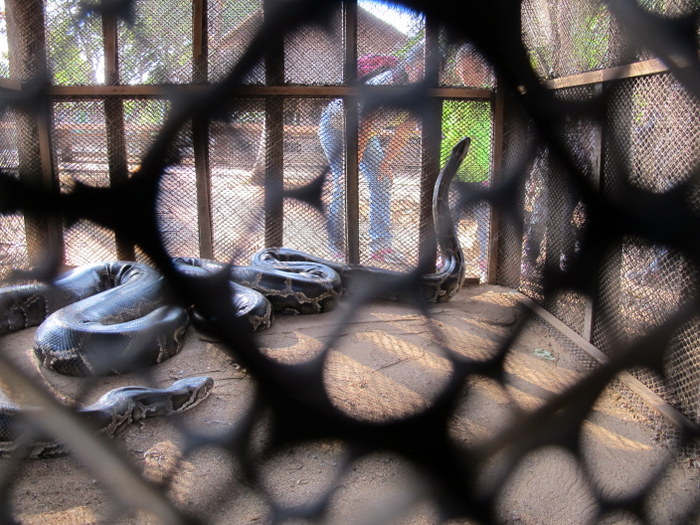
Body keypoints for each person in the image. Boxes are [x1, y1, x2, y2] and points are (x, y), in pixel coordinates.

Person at [318, 45, 424, 263]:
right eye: (422, 67)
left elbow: (404, 130)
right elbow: (365, 126)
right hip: (336, 127)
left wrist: (385, 163)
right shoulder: (387, 84)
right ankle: (337, 246)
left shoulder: (426, 91)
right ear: (410, 65)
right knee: (345, 182)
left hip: (367, 132)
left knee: (382, 179)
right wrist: (350, 169)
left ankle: (381, 247)